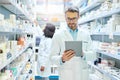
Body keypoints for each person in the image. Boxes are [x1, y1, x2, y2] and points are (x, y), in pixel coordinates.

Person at [50, 6, 91, 80]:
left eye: (74, 18)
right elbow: (52, 57)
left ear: (78, 17)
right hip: (66, 75)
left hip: (82, 75)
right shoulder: (58, 35)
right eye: (69, 19)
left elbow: (93, 55)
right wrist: (62, 59)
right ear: (65, 18)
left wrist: (83, 54)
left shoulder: (86, 34)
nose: (71, 21)